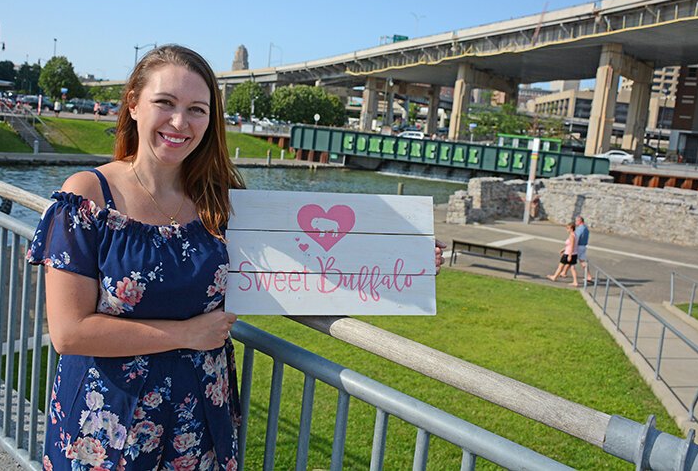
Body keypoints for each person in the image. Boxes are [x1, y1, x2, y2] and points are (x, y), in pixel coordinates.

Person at [27, 44, 446, 469]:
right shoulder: (87, 197)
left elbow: (307, 265)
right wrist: (185, 334)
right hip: (106, 423)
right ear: (133, 103)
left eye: (197, 110)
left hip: (199, 418)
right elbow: (69, 332)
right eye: (165, 103)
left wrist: (406, 257)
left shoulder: (222, 201)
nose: (180, 122)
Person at [547, 222, 578, 286]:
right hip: (574, 253)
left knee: (560, 266)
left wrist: (569, 255)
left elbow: (572, 246)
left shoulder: (572, 236)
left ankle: (554, 277)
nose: (567, 230)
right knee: (572, 268)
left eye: (568, 228)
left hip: (568, 254)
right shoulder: (575, 235)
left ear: (572, 229)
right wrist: (563, 249)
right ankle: (575, 282)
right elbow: (570, 245)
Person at [575, 215, 593, 283]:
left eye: (576, 221)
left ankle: (563, 273)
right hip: (583, 246)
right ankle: (589, 276)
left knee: (570, 260)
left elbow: (576, 238)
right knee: (582, 261)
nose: (575, 222)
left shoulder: (580, 229)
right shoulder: (586, 228)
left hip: (578, 246)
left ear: (580, 221)